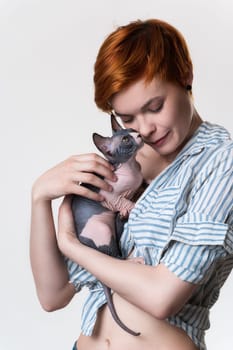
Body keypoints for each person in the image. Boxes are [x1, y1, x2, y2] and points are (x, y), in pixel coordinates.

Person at [30, 18, 233, 350]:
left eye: (154, 107)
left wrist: (71, 245)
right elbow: (54, 295)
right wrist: (40, 196)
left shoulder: (221, 163)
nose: (145, 129)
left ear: (186, 77)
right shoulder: (126, 167)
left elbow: (161, 297)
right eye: (127, 119)